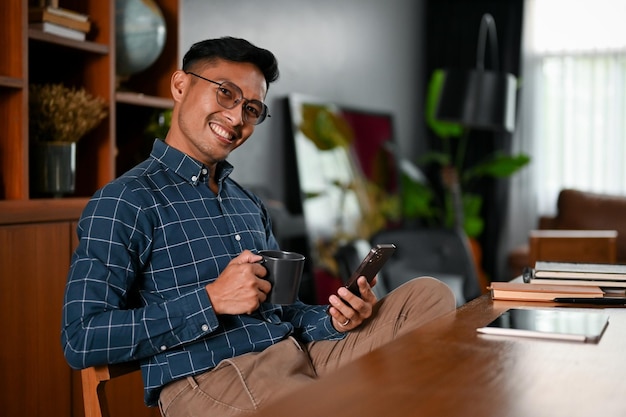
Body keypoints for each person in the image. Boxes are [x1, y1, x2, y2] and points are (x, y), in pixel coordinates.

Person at [61, 36, 456, 416]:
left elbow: (285, 312)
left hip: (297, 356)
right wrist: (211, 300)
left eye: (251, 109)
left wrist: (336, 319)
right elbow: (81, 337)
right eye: (225, 93)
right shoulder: (126, 200)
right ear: (180, 85)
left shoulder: (247, 203)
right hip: (215, 378)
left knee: (427, 296)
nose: (236, 118)